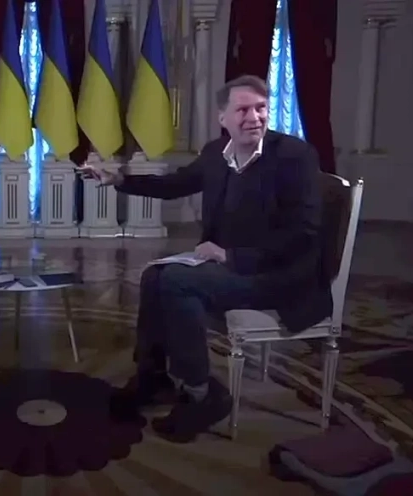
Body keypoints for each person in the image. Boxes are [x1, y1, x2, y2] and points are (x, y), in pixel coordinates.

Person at [77, 75, 329, 442]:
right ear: (222, 117)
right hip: (228, 265)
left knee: (178, 283)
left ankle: (201, 394)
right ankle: (154, 378)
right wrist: (119, 180)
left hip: (276, 273)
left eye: (261, 109)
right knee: (153, 276)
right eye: (243, 110)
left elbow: (304, 232)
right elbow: (175, 185)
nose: (254, 118)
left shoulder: (294, 156)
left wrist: (231, 255)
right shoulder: (216, 153)